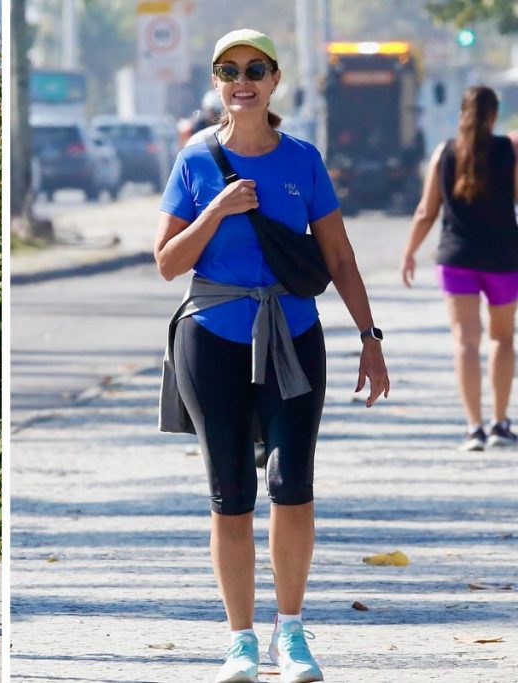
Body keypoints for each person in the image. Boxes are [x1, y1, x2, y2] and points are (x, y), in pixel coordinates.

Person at [155, 29, 389, 683]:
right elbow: (168, 262)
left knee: (291, 485)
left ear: (274, 79)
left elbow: (339, 258)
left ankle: (293, 633)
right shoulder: (195, 161)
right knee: (230, 493)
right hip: (211, 336)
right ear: (217, 82)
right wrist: (217, 211)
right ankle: (240, 641)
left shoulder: (303, 161)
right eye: (228, 69)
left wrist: (371, 340)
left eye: (255, 68)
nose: (242, 79)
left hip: (294, 334)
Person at [401, 86, 518, 451]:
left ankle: (474, 428)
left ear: (461, 113)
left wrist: (410, 252)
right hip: (503, 259)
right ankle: (500, 423)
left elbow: (425, 212)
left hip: (457, 259)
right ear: (494, 115)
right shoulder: (510, 152)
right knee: (501, 337)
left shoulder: (443, 154)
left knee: (465, 342)